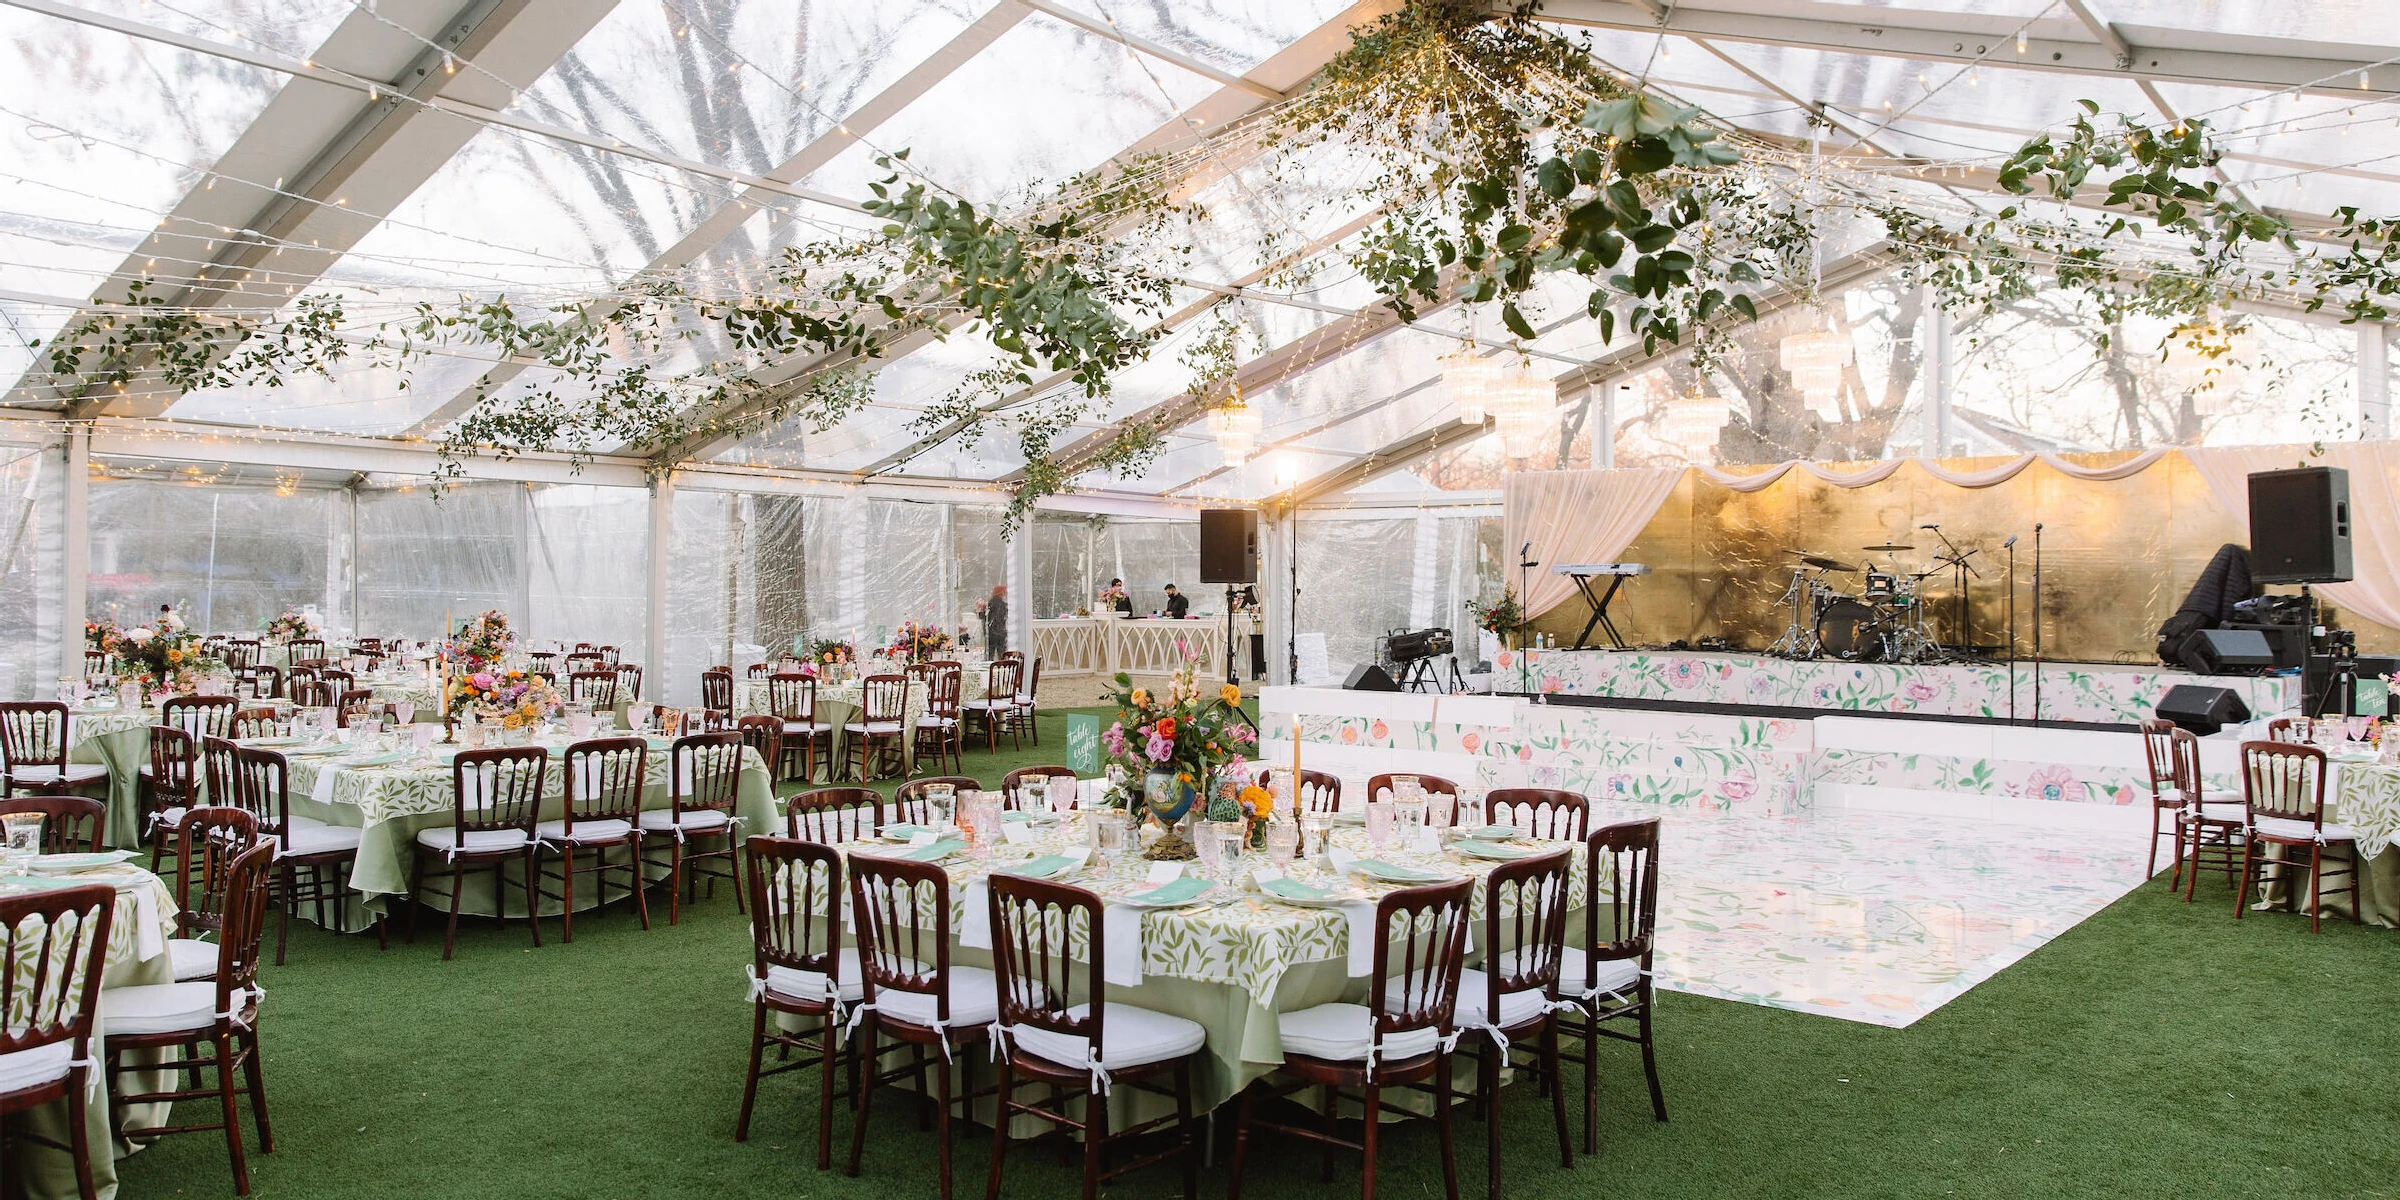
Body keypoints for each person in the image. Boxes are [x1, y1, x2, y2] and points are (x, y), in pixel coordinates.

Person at [980, 584, 1009, 656]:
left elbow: (983, 616)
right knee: (1002, 654)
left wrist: (980, 610)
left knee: (990, 654)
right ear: (1002, 593)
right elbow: (1004, 617)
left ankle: (990, 666)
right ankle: (1003, 666)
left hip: (990, 633)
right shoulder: (1003, 605)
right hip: (1000, 633)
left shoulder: (990, 604)